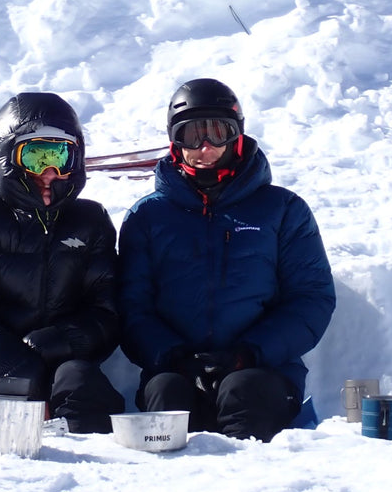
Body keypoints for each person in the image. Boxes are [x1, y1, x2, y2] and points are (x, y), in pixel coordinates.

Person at [117, 78, 336, 442]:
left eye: (217, 133)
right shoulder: (148, 217)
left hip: (262, 369)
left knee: (242, 390)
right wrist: (171, 355)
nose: (204, 147)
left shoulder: (282, 210)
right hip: (176, 366)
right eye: (191, 135)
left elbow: (311, 297)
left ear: (237, 136)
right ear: (174, 141)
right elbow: (131, 304)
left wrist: (247, 354)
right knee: (168, 394)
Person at [0, 92, 124, 434]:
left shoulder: (90, 221)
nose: (49, 172)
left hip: (61, 367)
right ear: (8, 158)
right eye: (35, 156)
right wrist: (11, 361)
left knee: (84, 385)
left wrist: (59, 341)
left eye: (60, 156)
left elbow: (105, 310)